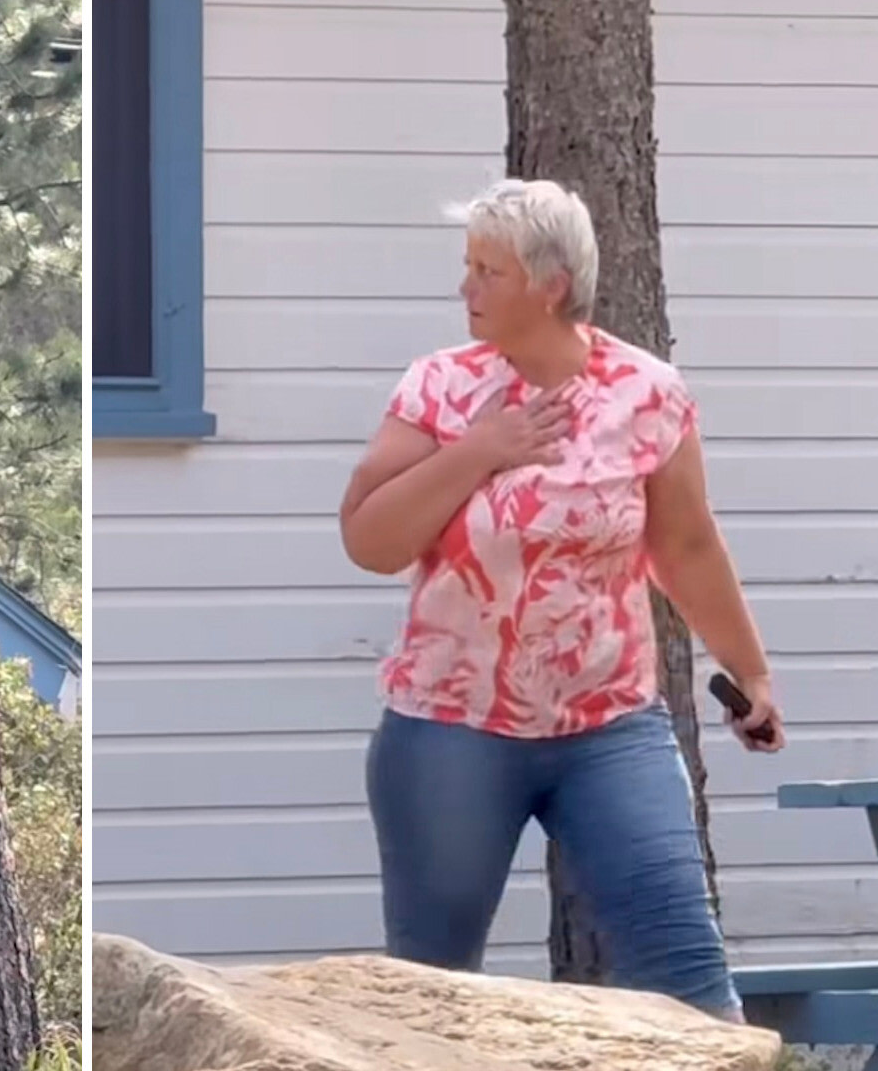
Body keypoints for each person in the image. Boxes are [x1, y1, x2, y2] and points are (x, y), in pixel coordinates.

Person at [336, 177, 784, 1023]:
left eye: (487, 272)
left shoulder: (646, 394)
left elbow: (685, 546)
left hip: (609, 728)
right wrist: (478, 453)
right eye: (466, 266)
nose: (464, 289)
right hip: (449, 731)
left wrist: (749, 671)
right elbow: (370, 540)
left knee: (689, 979)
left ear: (549, 284)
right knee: (434, 996)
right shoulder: (439, 388)